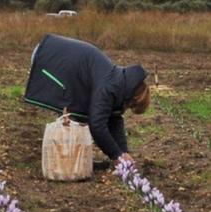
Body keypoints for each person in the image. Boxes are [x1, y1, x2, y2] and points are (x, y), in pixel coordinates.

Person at [24, 34, 151, 165]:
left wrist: (123, 152)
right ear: (131, 99)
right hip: (49, 56)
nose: (127, 109)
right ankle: (66, 160)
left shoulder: (119, 82)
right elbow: (97, 125)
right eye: (131, 107)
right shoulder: (109, 87)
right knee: (72, 113)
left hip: (59, 55)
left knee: (78, 112)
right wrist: (116, 155)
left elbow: (115, 119)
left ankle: (70, 158)